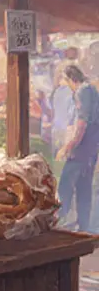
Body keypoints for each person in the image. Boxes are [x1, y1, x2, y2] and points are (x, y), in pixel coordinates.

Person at [56, 65, 99, 231]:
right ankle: (83, 226)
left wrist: (68, 147)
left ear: (71, 79)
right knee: (83, 186)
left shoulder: (83, 91)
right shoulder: (91, 90)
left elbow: (82, 123)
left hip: (82, 149)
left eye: (65, 80)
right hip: (91, 148)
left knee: (65, 184)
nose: (64, 84)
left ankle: (60, 221)